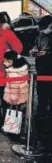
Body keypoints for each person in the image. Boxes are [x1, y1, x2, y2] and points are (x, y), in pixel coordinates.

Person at [30, 16, 52, 152]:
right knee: (42, 98)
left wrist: (48, 53)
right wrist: (33, 52)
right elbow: (34, 47)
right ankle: (42, 123)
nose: (43, 30)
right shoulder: (40, 36)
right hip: (41, 71)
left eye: (46, 28)